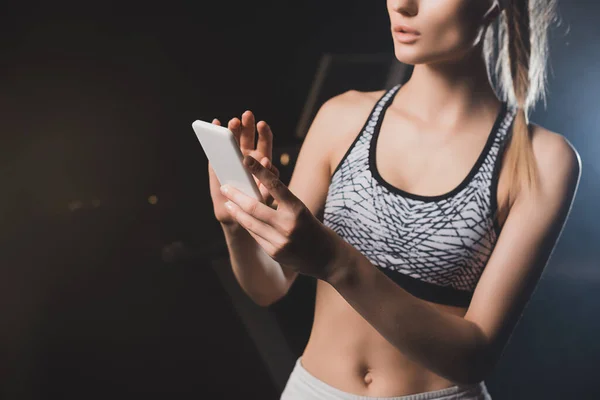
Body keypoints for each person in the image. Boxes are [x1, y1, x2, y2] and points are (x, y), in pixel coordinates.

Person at [208, 0, 581, 399]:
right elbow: (269, 287)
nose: (403, 5)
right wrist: (237, 223)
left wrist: (337, 262)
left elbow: (474, 357)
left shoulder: (540, 159)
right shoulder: (342, 117)